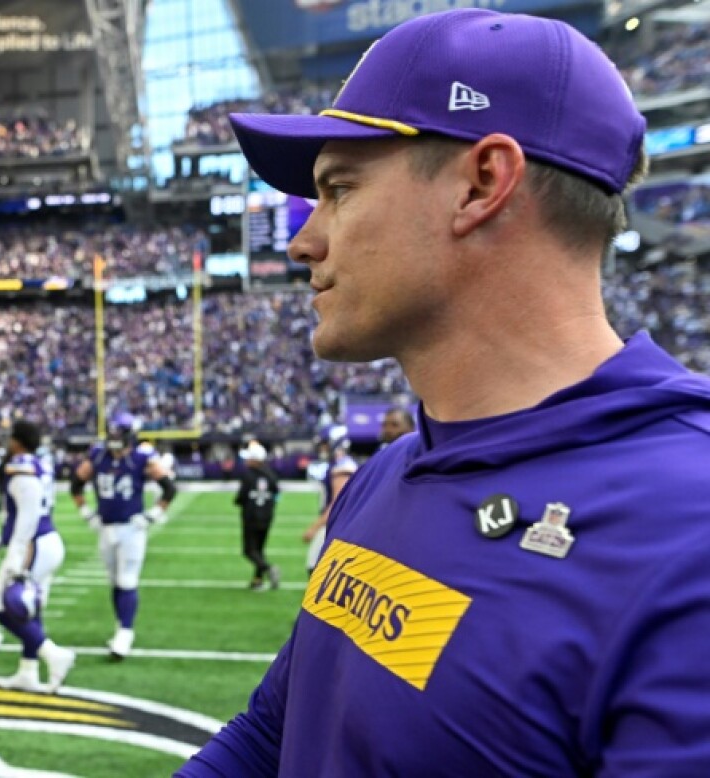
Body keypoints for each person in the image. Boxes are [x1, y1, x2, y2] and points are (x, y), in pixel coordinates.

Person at [180, 9, 710, 776]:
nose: (304, 241)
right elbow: (273, 736)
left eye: (339, 190)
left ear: (482, 184)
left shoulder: (687, 532)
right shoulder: (388, 474)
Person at [71, 411, 177, 659]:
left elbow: (169, 488)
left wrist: (152, 515)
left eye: (119, 433)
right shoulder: (97, 455)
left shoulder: (142, 458)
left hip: (131, 528)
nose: (115, 438)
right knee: (114, 581)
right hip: (105, 527)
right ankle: (121, 625)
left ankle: (125, 633)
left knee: (127, 580)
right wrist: (86, 512)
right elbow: (76, 483)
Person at [0, 419, 76, 692]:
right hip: (43, 539)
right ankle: (28, 670)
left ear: (19, 440)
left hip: (33, 543)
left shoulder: (21, 466)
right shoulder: (39, 462)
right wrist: (0, 539)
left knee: (4, 607)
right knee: (30, 608)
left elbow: (28, 515)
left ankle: (52, 654)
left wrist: (16, 552)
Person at [301, 424, 357, 574]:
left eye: (325, 444)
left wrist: (315, 527)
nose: (322, 448)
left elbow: (337, 503)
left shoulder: (343, 466)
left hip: (336, 523)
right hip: (339, 523)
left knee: (315, 566)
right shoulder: (340, 464)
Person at [233, 441, 280, 590]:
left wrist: (239, 502)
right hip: (267, 516)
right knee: (259, 549)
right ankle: (257, 580)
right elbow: (277, 494)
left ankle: (267, 568)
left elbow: (241, 497)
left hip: (251, 516)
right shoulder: (271, 475)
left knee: (249, 550)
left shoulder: (248, 475)